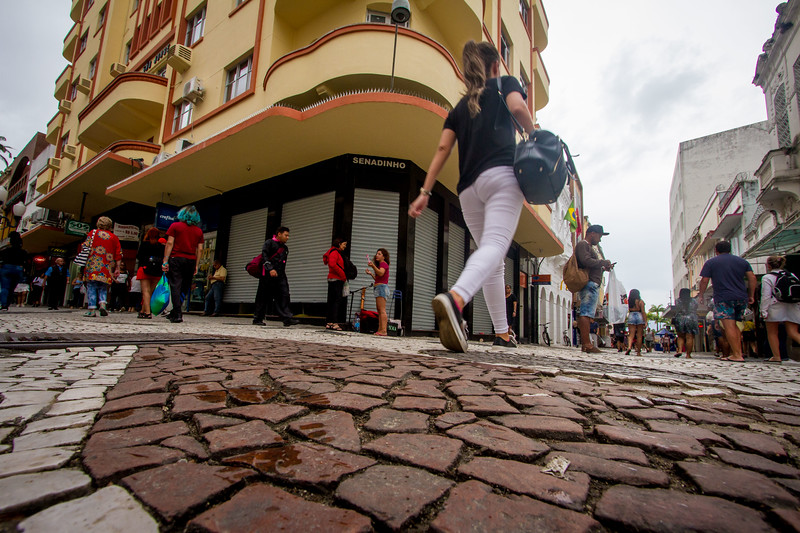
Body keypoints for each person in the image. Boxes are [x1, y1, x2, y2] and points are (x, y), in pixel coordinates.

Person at [409, 40, 535, 351]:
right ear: (495, 66)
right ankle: (456, 297)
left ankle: (503, 333)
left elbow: (442, 150)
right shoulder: (506, 83)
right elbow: (518, 108)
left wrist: (425, 191)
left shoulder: (458, 110)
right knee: (494, 247)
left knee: (493, 261)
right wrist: (536, 137)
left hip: (467, 189)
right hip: (502, 176)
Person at [697, 241, 757, 362]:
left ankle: (736, 354)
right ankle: (739, 351)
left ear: (716, 250)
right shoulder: (742, 261)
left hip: (724, 297)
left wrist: (701, 294)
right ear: (730, 249)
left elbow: (704, 280)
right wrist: (751, 294)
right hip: (741, 297)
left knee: (729, 326)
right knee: (736, 325)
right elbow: (752, 278)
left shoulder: (711, 262)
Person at [575, 225, 614, 353]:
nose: (600, 240)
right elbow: (585, 261)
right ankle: (587, 344)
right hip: (589, 283)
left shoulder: (588, 247)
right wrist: (602, 263)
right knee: (586, 313)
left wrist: (603, 268)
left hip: (593, 283)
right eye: (599, 236)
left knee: (588, 313)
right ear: (592, 233)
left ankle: (587, 343)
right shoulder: (583, 245)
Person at [162, 206, 204, 324]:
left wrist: (165, 260)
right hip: (190, 260)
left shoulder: (175, 226)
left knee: (175, 285)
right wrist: (197, 264)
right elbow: (200, 249)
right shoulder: (198, 231)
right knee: (184, 287)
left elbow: (170, 243)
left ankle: (177, 313)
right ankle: (176, 312)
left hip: (176, 258)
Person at [253, 226, 298, 327]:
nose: (288, 238)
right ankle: (258, 318)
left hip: (280, 275)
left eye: (288, 236)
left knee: (284, 295)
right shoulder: (269, 243)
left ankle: (287, 318)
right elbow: (264, 256)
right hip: (268, 275)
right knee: (263, 296)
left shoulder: (285, 248)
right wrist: (270, 268)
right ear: (279, 234)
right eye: (286, 235)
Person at [760, 255, 800, 363]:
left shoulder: (767, 277)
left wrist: (763, 310)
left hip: (775, 306)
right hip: (792, 305)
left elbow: (766, 295)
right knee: (793, 332)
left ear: (768, 265)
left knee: (772, 333)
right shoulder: (791, 275)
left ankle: (776, 357)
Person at [82, 216, 122, 317]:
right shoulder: (114, 237)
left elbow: (85, 246)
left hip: (93, 263)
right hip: (107, 265)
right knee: (103, 286)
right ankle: (103, 304)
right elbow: (118, 253)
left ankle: (91, 310)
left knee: (91, 286)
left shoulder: (93, 233)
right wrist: (117, 267)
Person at [136, 228, 165, 319]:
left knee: (145, 292)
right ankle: (142, 311)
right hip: (157, 271)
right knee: (150, 292)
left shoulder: (144, 244)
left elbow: (138, 256)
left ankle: (148, 312)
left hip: (144, 269)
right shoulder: (161, 246)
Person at [323, 238, 348, 330]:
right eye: (344, 244)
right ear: (339, 244)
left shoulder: (333, 252)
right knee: (336, 301)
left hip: (333, 279)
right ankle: (334, 322)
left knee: (332, 301)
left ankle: (330, 322)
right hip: (336, 279)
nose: (345, 247)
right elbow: (332, 264)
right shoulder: (335, 252)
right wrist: (343, 275)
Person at [0, 232, 28, 310]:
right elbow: (25, 262)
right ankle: (7, 304)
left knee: (5, 287)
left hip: (6, 268)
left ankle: (4, 304)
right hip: (18, 269)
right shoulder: (23, 252)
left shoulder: (5, 251)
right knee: (12, 289)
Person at [366, 248, 390, 336]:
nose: (377, 255)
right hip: (379, 287)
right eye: (377, 253)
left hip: (381, 288)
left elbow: (380, 273)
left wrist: (372, 266)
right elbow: (378, 278)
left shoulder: (383, 264)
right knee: (379, 310)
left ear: (384, 256)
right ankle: (380, 330)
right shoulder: (380, 265)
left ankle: (383, 330)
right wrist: (371, 274)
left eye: (379, 254)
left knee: (382, 310)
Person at [673, 288, 699, 359]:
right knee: (689, 337)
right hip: (691, 318)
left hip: (680, 318)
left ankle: (680, 350)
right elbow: (696, 307)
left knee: (680, 336)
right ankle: (688, 354)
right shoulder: (693, 301)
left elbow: (677, 309)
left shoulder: (678, 301)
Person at [625, 289, 646, 356]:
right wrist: (645, 321)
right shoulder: (640, 301)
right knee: (639, 335)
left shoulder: (629, 302)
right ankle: (638, 352)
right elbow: (643, 312)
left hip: (631, 315)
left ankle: (629, 347)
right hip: (639, 315)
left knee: (631, 334)